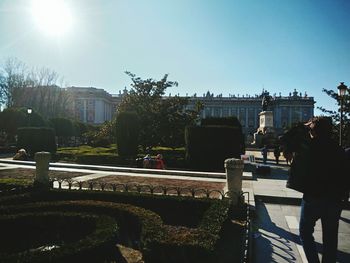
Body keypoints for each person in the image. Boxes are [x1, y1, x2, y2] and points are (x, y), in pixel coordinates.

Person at [286, 117, 348, 263]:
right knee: (331, 238)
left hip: (313, 197)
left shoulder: (309, 147)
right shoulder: (338, 149)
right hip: (334, 199)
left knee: (305, 233)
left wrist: (303, 126)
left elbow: (288, 138)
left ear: (313, 129)